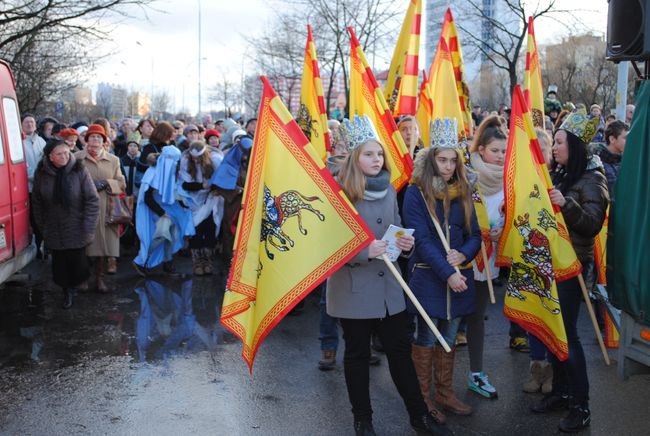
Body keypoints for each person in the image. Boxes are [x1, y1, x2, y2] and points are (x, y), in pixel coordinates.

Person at [326, 115, 448, 436]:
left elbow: (392, 235)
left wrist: (402, 244)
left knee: (399, 353)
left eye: (379, 154)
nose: (376, 159)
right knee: (357, 356)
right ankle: (362, 419)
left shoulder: (390, 190)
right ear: (354, 158)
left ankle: (418, 415)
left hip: (389, 291)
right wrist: (364, 252)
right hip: (353, 291)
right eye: (369, 154)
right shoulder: (338, 193)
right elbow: (329, 247)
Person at [531, 108, 608, 433]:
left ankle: (581, 406)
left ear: (574, 146)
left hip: (572, 267)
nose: (555, 147)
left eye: (560, 142)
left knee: (569, 337)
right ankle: (562, 393)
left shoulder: (593, 179)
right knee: (554, 334)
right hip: (550, 264)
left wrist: (567, 204)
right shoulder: (561, 174)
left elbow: (591, 225)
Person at [403, 118, 481, 423]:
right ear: (431, 158)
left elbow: (475, 234)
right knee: (426, 337)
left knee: (449, 336)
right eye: (442, 159)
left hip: (459, 276)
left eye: (453, 160)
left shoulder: (463, 191)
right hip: (428, 278)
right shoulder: (416, 192)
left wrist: (463, 253)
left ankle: (445, 392)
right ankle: (423, 400)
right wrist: (447, 272)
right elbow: (420, 239)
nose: (448, 166)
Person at [465, 115, 507, 400]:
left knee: (477, 317)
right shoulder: (467, 178)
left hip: (490, 261)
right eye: (495, 151)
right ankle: (434, 376)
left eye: (504, 152)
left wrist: (502, 233)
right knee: (453, 316)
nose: (500, 157)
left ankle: (476, 372)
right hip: (465, 258)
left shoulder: (510, 180)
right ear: (481, 150)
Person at [32, 140, 99, 308]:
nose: (64, 157)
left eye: (66, 153)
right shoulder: (42, 172)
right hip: (53, 226)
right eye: (59, 154)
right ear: (50, 157)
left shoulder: (79, 169)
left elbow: (92, 199)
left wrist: (89, 227)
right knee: (60, 265)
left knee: (78, 263)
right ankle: (66, 292)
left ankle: (76, 286)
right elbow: (37, 202)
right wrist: (43, 226)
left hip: (77, 224)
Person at [74, 124, 126, 290]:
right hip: (83, 206)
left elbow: (122, 183)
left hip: (106, 206)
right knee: (83, 244)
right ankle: (82, 279)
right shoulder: (76, 158)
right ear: (86, 139)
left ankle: (99, 278)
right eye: (92, 136)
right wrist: (86, 186)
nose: (95, 140)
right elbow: (70, 182)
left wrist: (105, 183)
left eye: (99, 137)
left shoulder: (113, 160)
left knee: (103, 246)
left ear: (104, 141)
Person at [133, 146, 195, 276]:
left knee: (171, 236)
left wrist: (184, 205)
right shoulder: (153, 172)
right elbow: (147, 197)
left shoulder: (172, 170)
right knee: (161, 236)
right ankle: (141, 262)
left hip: (170, 210)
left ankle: (168, 262)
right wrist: (161, 213)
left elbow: (174, 191)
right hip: (157, 210)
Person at [177, 141, 224, 275]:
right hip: (192, 201)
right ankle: (197, 262)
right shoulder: (186, 161)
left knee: (210, 228)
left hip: (211, 201)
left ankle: (208, 261)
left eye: (199, 157)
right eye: (194, 157)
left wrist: (213, 189)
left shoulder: (215, 160)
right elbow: (183, 184)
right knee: (195, 231)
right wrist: (201, 186)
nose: (196, 160)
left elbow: (221, 179)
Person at [22, 113, 47, 259]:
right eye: (26, 122)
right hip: (27, 187)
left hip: (41, 187)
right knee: (31, 218)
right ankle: (34, 247)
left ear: (35, 125)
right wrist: (35, 176)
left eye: (32, 122)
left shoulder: (41, 141)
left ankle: (41, 245)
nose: (30, 124)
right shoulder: (18, 141)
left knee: (41, 217)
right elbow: (22, 166)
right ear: (22, 125)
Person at [594, 120, 628, 206]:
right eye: (625, 138)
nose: (629, 141)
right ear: (612, 139)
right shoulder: (598, 164)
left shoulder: (624, 161)